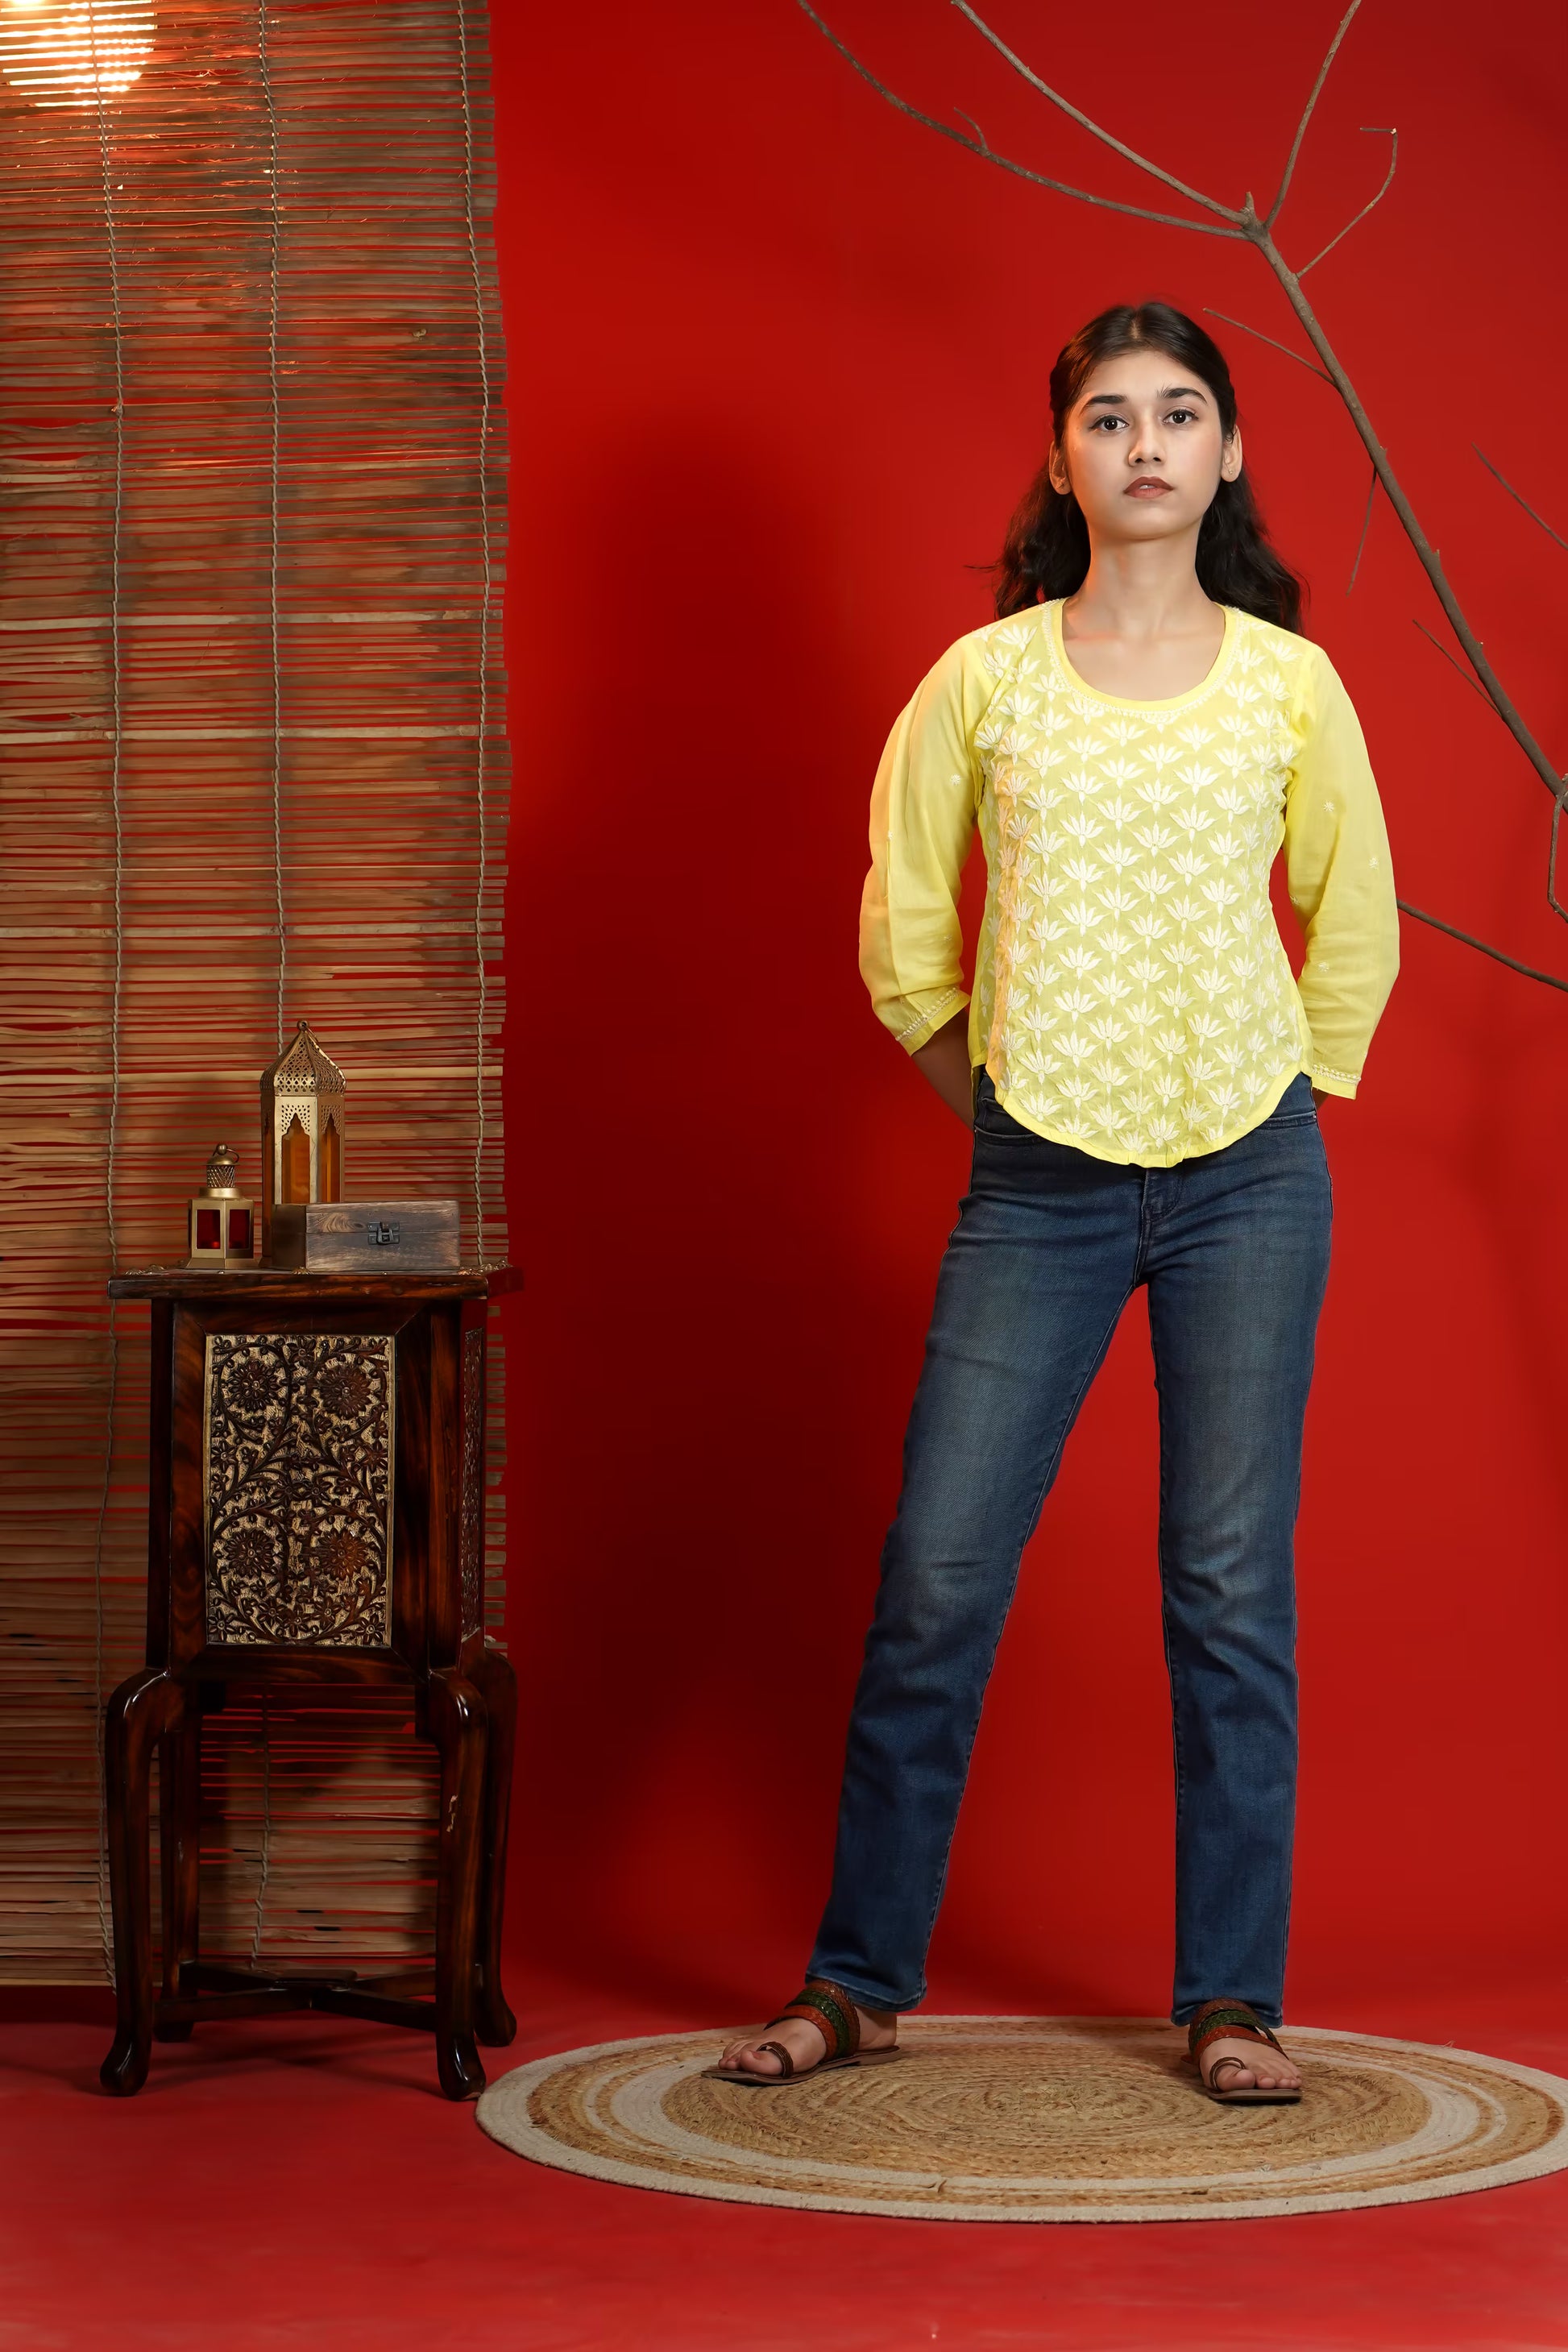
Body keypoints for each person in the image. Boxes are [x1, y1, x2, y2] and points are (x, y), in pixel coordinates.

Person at [716, 301, 1399, 2105]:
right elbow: (903, 937)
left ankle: (1230, 1998)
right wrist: (1008, 1107)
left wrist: (1287, 1100)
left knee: (1227, 1581)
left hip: (1249, 1178)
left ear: (1230, 453)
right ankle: (857, 1978)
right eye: (1110, 417)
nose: (1147, 444)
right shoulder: (985, 678)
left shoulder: (1285, 680)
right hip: (1038, 1185)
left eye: (1182, 414)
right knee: (936, 1574)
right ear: (1062, 456)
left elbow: (1357, 920)